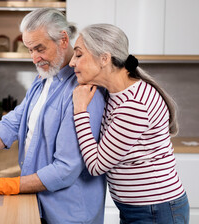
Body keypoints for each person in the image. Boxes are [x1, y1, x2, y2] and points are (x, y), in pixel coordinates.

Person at [0, 8, 107, 224]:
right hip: (39, 201)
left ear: (63, 40)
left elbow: (66, 168)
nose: (35, 58)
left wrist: (5, 185)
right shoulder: (44, 77)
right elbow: (16, 119)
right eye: (30, 50)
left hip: (68, 213)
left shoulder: (83, 89)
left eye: (40, 48)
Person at [70, 23, 190, 224]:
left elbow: (96, 166)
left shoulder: (134, 105)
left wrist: (80, 111)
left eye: (79, 55)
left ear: (104, 59)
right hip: (139, 209)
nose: (72, 62)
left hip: (156, 211)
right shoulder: (113, 93)